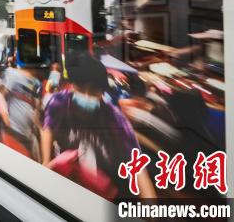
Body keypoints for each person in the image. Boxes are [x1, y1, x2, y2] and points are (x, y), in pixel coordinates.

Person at [41, 51, 156, 199]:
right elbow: (48, 129)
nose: (87, 95)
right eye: (82, 89)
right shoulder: (59, 102)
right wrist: (46, 162)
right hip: (68, 183)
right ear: (73, 86)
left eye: (94, 91)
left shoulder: (115, 118)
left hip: (104, 193)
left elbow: (138, 167)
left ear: (102, 93)